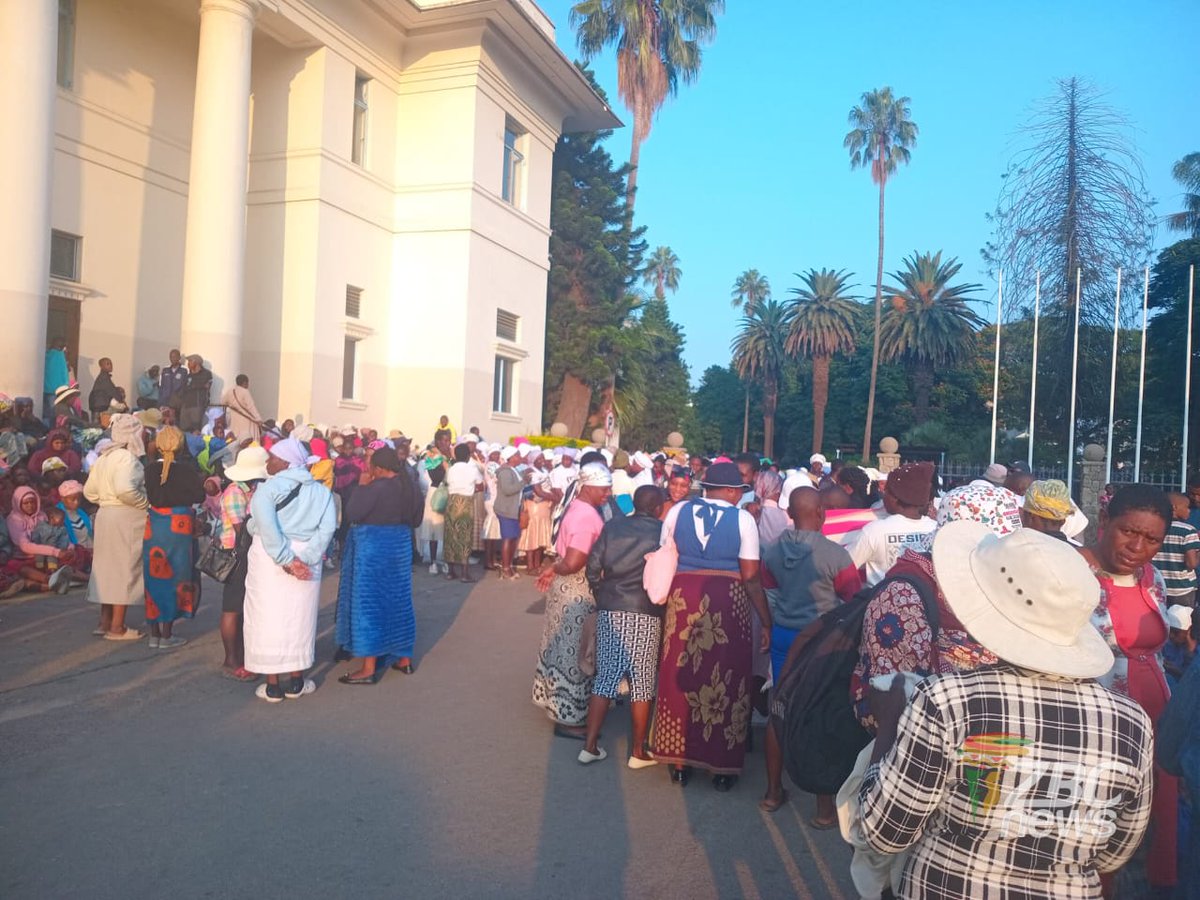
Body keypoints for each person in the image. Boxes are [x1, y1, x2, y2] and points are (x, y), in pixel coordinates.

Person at [857, 524, 1153, 900]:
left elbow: (885, 832)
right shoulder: (1132, 724)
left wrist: (888, 727)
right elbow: (1114, 852)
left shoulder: (948, 702)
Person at [650, 461, 773, 791]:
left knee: (679, 672)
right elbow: (750, 576)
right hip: (726, 601)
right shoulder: (743, 519)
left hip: (683, 597)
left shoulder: (677, 511)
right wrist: (765, 619)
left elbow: (666, 553)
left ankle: (678, 761)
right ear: (732, 491)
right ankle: (722, 767)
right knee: (727, 678)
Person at [1079, 484, 1178, 891]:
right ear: (1104, 522)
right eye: (1127, 531)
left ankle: (1160, 885)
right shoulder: (1075, 571)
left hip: (1156, 710)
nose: (1137, 546)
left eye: (1152, 539)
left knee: (1160, 807)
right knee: (1105, 810)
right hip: (1102, 717)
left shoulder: (1151, 576)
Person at [760, 485, 862, 818]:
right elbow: (852, 599)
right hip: (821, 642)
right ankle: (823, 808)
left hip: (783, 637)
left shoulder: (772, 552)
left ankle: (773, 792)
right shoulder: (835, 555)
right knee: (820, 714)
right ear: (821, 513)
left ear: (789, 514)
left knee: (779, 709)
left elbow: (771, 597)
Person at [243, 438, 337, 702]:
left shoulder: (267, 489)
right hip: (308, 557)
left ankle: (272, 685)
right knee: (299, 617)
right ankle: (297, 681)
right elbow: (328, 528)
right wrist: (305, 558)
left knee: (267, 617)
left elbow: (267, 527)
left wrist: (287, 559)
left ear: (285, 462)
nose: (267, 462)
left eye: (272, 457)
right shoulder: (321, 492)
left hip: (270, 559)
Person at [579, 485, 666, 766]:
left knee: (605, 678)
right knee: (642, 683)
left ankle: (590, 746)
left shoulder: (613, 526)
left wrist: (601, 595)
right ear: (657, 508)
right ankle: (638, 752)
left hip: (611, 608)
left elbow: (592, 567)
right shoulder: (663, 532)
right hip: (645, 610)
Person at [532, 462, 613, 738]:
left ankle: (558, 705)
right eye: (603, 489)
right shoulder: (587, 516)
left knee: (561, 644)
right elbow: (576, 560)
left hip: (566, 587)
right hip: (577, 589)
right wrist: (556, 568)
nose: (608, 494)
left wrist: (553, 568)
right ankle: (569, 720)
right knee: (576, 651)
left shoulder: (576, 507)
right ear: (588, 487)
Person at [335, 446, 424, 685]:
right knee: (398, 602)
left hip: (374, 549)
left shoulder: (375, 488)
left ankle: (368, 668)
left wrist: (362, 486)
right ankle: (403, 659)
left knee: (369, 605)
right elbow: (416, 520)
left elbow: (353, 513)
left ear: (379, 468)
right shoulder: (411, 487)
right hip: (400, 548)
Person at [84, 413, 149, 640]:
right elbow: (125, 489)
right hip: (126, 517)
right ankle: (117, 627)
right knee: (124, 570)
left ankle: (104, 622)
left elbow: (88, 492)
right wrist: (145, 503)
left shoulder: (104, 457)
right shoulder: (127, 459)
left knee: (106, 569)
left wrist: (105, 499)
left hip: (105, 514)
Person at [141, 426, 204, 650]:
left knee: (154, 577)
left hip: (155, 525)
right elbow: (199, 496)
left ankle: (154, 633)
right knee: (177, 577)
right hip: (180, 526)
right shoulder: (187, 471)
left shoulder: (148, 470)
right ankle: (168, 633)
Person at [217, 444, 269, 681]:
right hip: (236, 552)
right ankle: (230, 660)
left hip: (248, 551)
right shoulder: (234, 492)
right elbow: (241, 530)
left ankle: (241, 655)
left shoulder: (253, 489)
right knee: (232, 607)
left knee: (244, 607)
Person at [848, 462, 936, 587]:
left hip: (881, 602)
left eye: (887, 492)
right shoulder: (936, 529)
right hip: (927, 604)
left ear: (894, 498)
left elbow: (843, 568)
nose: (883, 497)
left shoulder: (874, 531)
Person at [6, 486, 75, 592]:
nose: (30, 505)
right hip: (24, 556)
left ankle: (87, 579)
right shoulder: (13, 520)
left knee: (70, 556)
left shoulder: (42, 516)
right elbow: (24, 546)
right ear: (18, 503)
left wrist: (69, 547)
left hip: (48, 553)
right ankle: (50, 581)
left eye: (32, 502)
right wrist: (54, 552)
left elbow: (57, 533)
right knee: (19, 568)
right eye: (26, 503)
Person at [442, 443, 482, 582]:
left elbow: (448, 483)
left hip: (452, 503)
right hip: (465, 503)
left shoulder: (451, 469)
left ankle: (451, 572)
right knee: (465, 536)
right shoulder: (472, 469)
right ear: (467, 456)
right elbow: (480, 485)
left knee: (450, 535)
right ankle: (465, 574)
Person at [1153, 491, 1200, 607]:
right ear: (1174, 508)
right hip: (1183, 589)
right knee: (1183, 621)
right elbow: (1191, 564)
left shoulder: (1155, 528)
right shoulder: (1188, 530)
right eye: (1187, 507)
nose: (1189, 510)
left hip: (1157, 586)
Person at [518, 452, 555, 576]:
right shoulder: (531, 472)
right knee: (532, 534)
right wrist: (555, 497)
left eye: (542, 458)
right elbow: (538, 491)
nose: (541, 460)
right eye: (538, 459)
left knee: (540, 535)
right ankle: (530, 566)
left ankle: (537, 565)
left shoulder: (544, 470)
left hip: (544, 506)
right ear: (532, 460)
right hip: (535, 506)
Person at [494, 446, 525, 579]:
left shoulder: (514, 470)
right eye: (517, 455)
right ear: (511, 457)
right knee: (508, 538)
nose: (520, 458)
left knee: (513, 538)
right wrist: (524, 482)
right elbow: (507, 490)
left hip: (513, 509)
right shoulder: (505, 472)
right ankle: (505, 568)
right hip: (506, 509)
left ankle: (508, 564)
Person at [418, 457, 448, 575]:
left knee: (439, 533)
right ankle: (434, 562)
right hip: (438, 493)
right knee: (434, 532)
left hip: (439, 492)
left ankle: (438, 562)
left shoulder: (436, 462)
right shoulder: (433, 463)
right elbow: (436, 477)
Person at [57, 479, 93, 573]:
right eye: (72, 499)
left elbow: (88, 535)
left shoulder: (81, 513)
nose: (76, 502)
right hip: (73, 553)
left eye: (79, 499)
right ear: (62, 498)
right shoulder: (58, 515)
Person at [221, 374, 263, 442]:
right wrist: (258, 419)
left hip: (235, 421)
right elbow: (251, 406)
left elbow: (223, 402)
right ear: (245, 383)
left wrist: (231, 405)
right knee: (249, 439)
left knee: (237, 438)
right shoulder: (245, 391)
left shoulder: (230, 391)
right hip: (248, 420)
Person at [176, 355, 212, 432]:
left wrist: (193, 386)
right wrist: (199, 386)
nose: (188, 363)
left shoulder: (206, 374)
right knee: (183, 430)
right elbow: (183, 388)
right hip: (185, 405)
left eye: (190, 361)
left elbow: (205, 385)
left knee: (195, 430)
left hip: (197, 405)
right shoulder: (188, 375)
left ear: (197, 362)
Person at [1164, 604, 1197, 685]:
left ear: (1188, 631)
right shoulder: (1165, 644)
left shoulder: (1196, 652)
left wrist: (1190, 654)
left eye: (1176, 632)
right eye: (1169, 631)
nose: (1171, 635)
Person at [44, 337, 71, 419]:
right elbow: (64, 372)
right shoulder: (60, 356)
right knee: (54, 414)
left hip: (44, 388)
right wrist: (66, 387)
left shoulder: (45, 354)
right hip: (57, 390)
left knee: (45, 412)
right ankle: (53, 430)